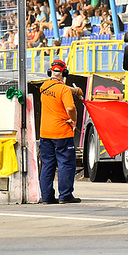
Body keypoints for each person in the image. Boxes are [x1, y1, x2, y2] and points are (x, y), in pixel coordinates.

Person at [38, 60, 83, 204]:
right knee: (66, 164)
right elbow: (70, 108)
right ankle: (65, 195)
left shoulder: (44, 86)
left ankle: (46, 197)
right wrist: (73, 120)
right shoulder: (63, 90)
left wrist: (75, 90)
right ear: (65, 73)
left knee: (47, 165)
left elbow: (56, 87)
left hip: (45, 133)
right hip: (62, 132)